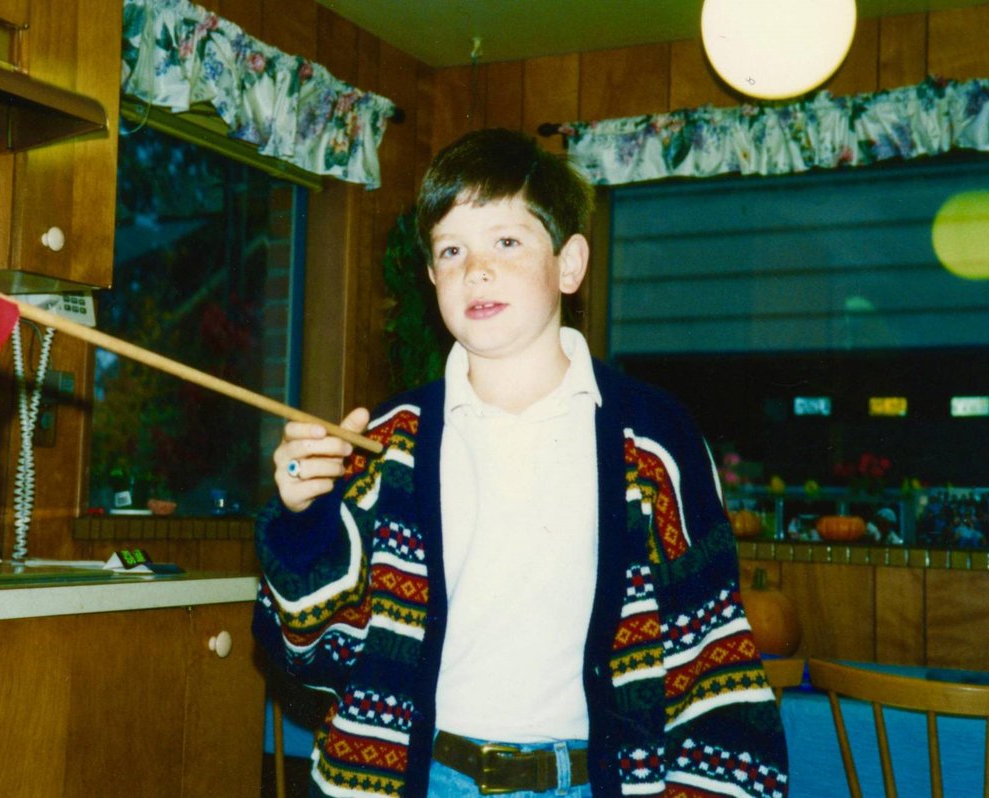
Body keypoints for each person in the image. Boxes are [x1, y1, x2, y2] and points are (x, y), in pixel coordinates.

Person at [252, 128, 789, 797]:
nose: (476, 268)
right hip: (413, 781)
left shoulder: (653, 438)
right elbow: (312, 658)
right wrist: (304, 522)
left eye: (507, 241)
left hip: (593, 783)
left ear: (569, 264)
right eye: (452, 249)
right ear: (432, 276)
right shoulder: (386, 444)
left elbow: (712, 656)